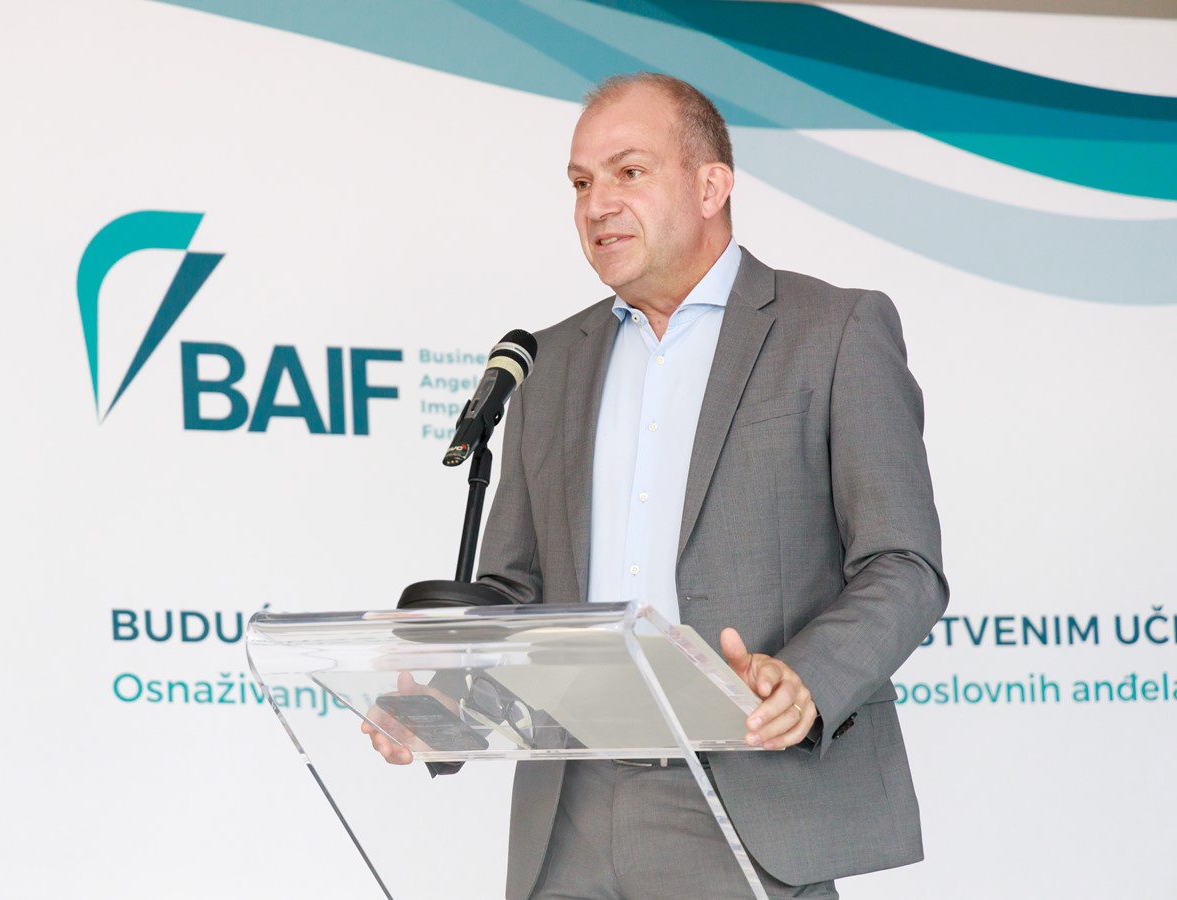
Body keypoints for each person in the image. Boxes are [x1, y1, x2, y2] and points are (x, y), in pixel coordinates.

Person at [369, 72, 948, 900]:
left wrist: (808, 680)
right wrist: (445, 706)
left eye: (629, 172)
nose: (596, 205)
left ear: (712, 186)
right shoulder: (548, 363)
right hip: (568, 810)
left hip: (745, 796)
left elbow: (904, 564)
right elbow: (516, 595)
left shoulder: (834, 332)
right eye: (580, 183)